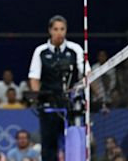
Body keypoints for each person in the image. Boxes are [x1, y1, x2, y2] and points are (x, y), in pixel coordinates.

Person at [28, 15, 86, 161]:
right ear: (50, 31)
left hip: (71, 104)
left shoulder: (75, 49)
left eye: (62, 29)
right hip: (49, 104)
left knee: (73, 142)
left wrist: (79, 92)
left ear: (66, 30)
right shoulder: (40, 51)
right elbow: (34, 78)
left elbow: (86, 74)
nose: (59, 32)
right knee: (49, 145)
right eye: (56, 29)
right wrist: (37, 98)